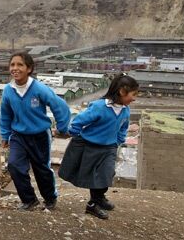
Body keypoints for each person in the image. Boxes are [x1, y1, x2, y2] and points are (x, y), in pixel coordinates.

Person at [58, 73, 139, 219]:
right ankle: (93, 205)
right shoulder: (99, 107)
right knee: (94, 177)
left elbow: (123, 127)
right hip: (90, 146)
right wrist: (75, 134)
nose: (134, 98)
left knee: (106, 175)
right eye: (133, 94)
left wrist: (119, 140)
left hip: (109, 148)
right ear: (122, 92)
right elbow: (78, 121)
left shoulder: (125, 110)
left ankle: (99, 198)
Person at [0, 52, 71, 211]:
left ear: (29, 69)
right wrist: (5, 135)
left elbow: (60, 106)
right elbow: (6, 114)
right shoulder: (8, 90)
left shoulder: (39, 89)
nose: (15, 68)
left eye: (20, 65)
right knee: (14, 166)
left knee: (42, 169)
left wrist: (62, 127)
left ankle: (50, 198)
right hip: (18, 135)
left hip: (40, 135)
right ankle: (29, 200)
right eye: (12, 65)